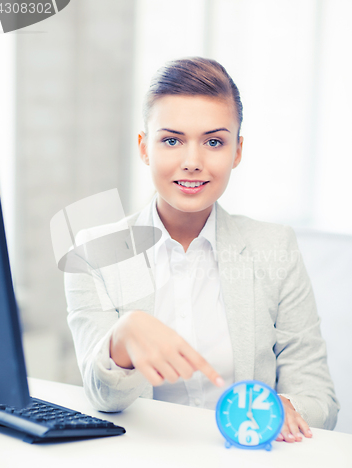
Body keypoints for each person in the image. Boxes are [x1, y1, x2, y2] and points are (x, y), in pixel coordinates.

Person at [64, 56, 339, 444]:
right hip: (139, 467)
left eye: (214, 142)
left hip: (251, 466)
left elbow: (320, 399)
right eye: (172, 140)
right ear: (144, 148)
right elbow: (102, 397)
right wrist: (120, 343)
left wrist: (285, 408)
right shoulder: (94, 253)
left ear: (237, 151)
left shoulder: (275, 247)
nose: (192, 162)